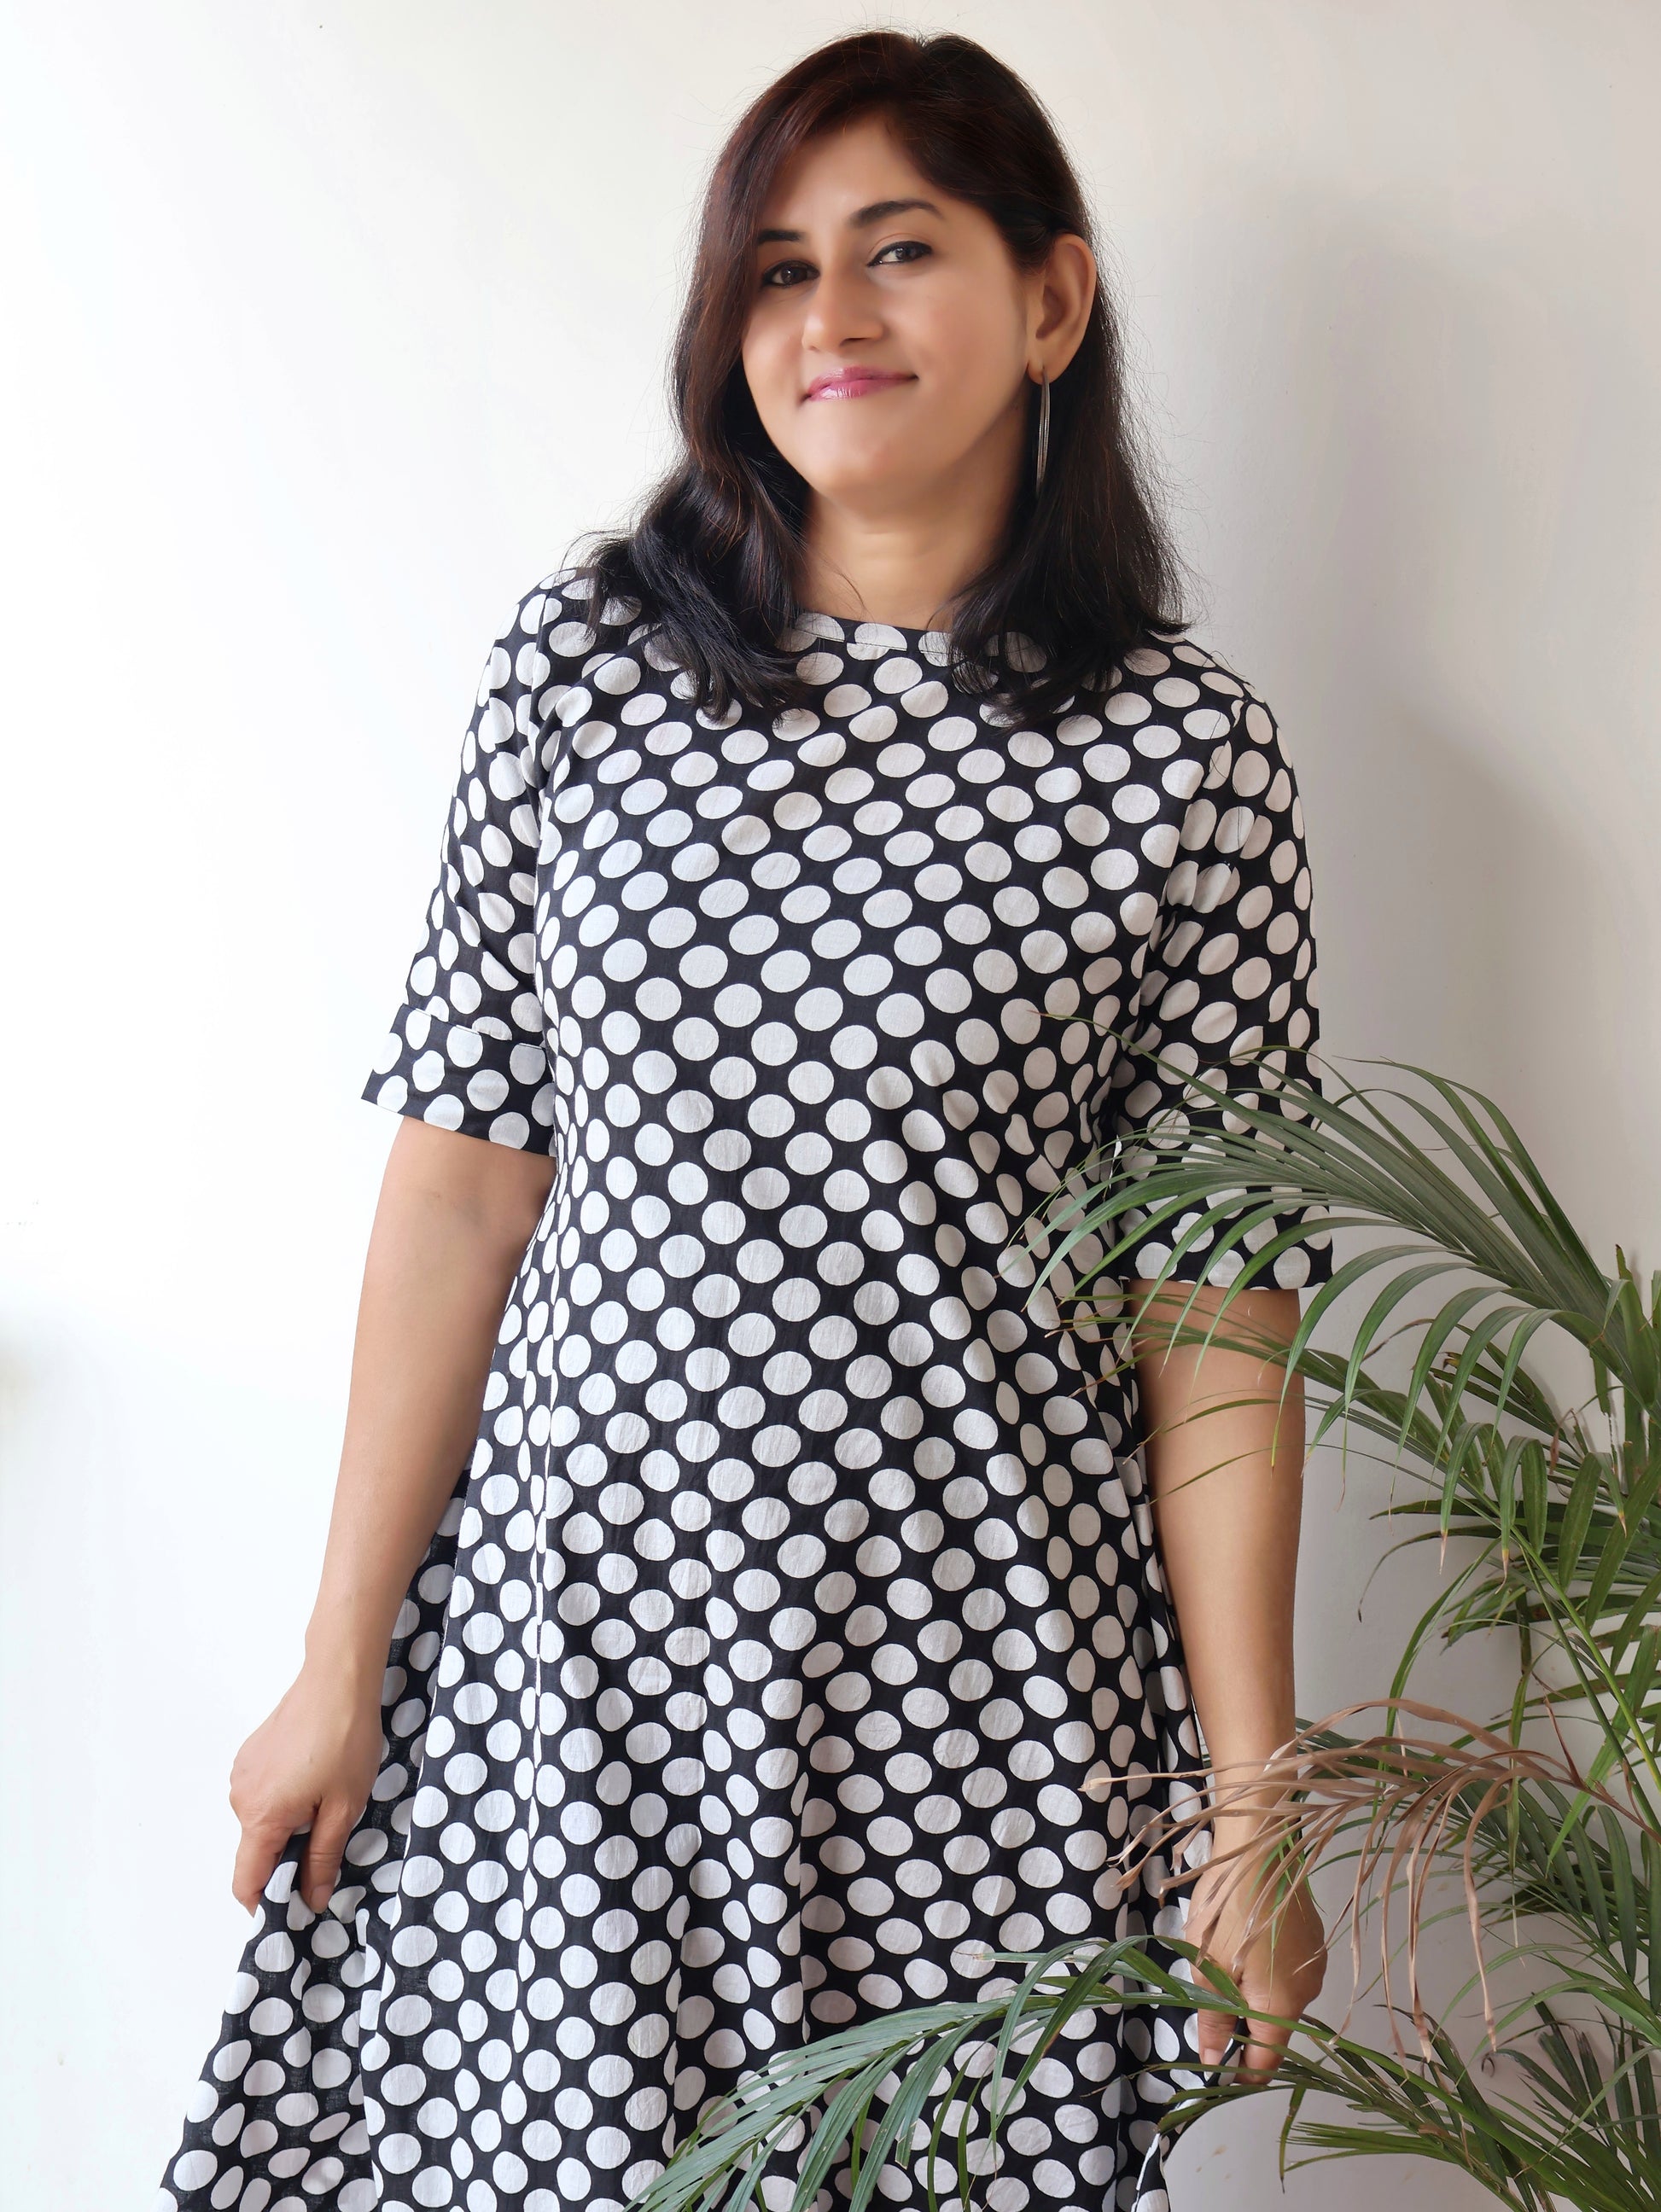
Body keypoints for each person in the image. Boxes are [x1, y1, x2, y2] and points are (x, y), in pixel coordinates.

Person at [159, 29, 1332, 2212]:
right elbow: (458, 1186)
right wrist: (338, 1662)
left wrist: (1250, 1803)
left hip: (978, 1673)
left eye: (901, 250)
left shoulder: (1188, 762)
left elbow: (1222, 1316)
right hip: (580, 1645)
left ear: (1052, 300)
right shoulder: (585, 672)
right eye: (775, 272)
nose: (833, 318)